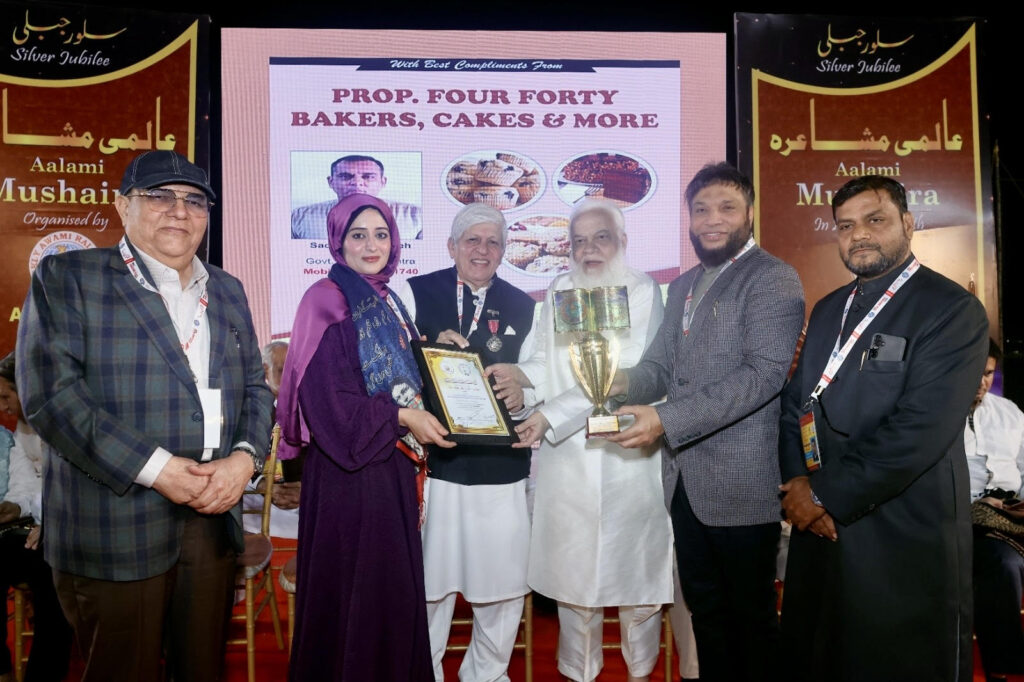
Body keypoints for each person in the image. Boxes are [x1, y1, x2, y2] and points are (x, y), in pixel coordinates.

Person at [16, 150, 274, 682]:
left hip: (212, 518)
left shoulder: (227, 289)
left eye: (194, 201)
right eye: (158, 196)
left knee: (200, 670)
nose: (179, 210)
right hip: (114, 521)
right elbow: (52, 398)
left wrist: (244, 459)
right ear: (121, 207)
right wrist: (159, 470)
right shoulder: (69, 277)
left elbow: (255, 386)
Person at [778, 175, 988, 681]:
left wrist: (824, 495)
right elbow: (795, 404)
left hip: (900, 534)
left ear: (908, 224)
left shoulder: (952, 311)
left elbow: (919, 431)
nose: (859, 235)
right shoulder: (828, 308)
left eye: (875, 220)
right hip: (820, 531)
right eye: (846, 225)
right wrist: (797, 483)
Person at [606, 162, 804, 682]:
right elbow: (660, 367)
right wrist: (617, 380)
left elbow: (763, 376)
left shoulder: (772, 277)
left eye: (726, 208)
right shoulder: (683, 285)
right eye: (701, 210)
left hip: (742, 482)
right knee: (707, 614)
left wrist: (665, 418)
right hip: (685, 484)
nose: (712, 220)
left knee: (751, 618)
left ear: (750, 213)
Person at [489, 198, 674, 682]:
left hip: (627, 455)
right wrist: (520, 379)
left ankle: (639, 672)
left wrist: (549, 415)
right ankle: (579, 672)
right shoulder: (559, 289)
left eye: (601, 238)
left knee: (638, 582)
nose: (589, 249)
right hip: (568, 459)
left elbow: (623, 370)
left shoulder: (642, 290)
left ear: (623, 242)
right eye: (578, 241)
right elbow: (541, 360)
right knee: (574, 584)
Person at [277, 193, 454, 680]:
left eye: (381, 235)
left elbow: (398, 378)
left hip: (388, 470)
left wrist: (439, 359)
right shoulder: (325, 300)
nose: (372, 246)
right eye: (358, 235)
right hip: (349, 481)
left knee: (387, 598)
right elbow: (328, 404)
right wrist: (402, 417)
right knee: (358, 602)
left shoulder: (387, 299)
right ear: (339, 242)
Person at [392, 202, 535, 681]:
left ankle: (486, 674)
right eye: (472, 240)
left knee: (503, 583)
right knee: (431, 583)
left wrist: (524, 386)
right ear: (452, 246)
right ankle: (425, 670)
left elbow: (538, 372)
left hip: (501, 465)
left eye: (494, 242)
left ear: (505, 251)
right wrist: (425, 346)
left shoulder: (526, 305)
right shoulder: (413, 293)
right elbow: (388, 364)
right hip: (437, 464)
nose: (482, 250)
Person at [0, 351, 72, 682]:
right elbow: (25, 484)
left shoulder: (65, 422)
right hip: (33, 527)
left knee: (51, 574)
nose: (3, 407)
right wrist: (13, 507)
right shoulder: (21, 429)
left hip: (67, 529)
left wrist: (48, 523)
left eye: (6, 397)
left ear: (27, 388)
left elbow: (73, 487)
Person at [965, 339, 1024, 681]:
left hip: (1010, 516)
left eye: (988, 373)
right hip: (964, 518)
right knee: (1003, 563)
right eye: (975, 371)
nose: (982, 381)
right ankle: (1004, 669)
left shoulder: (1010, 412)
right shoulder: (937, 415)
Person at [242, 340, 300, 538]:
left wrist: (306, 488)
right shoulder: (248, 409)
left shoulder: (307, 409)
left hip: (298, 501)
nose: (289, 377)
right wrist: (261, 484)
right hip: (257, 499)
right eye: (282, 370)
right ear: (265, 370)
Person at [291, 154, 422, 241]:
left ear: (383, 182)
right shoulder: (300, 217)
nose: (357, 183)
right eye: (345, 176)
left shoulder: (416, 216)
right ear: (331, 182)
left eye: (368, 177)